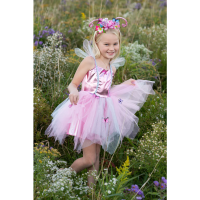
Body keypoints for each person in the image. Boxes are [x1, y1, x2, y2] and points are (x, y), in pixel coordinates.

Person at [45, 17, 155, 187]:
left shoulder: (113, 66)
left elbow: (106, 90)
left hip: (103, 112)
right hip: (87, 110)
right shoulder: (90, 61)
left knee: (95, 157)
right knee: (88, 158)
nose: (111, 48)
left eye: (115, 44)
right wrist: (74, 91)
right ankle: (59, 178)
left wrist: (125, 85)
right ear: (97, 43)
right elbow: (73, 84)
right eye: (107, 44)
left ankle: (91, 191)